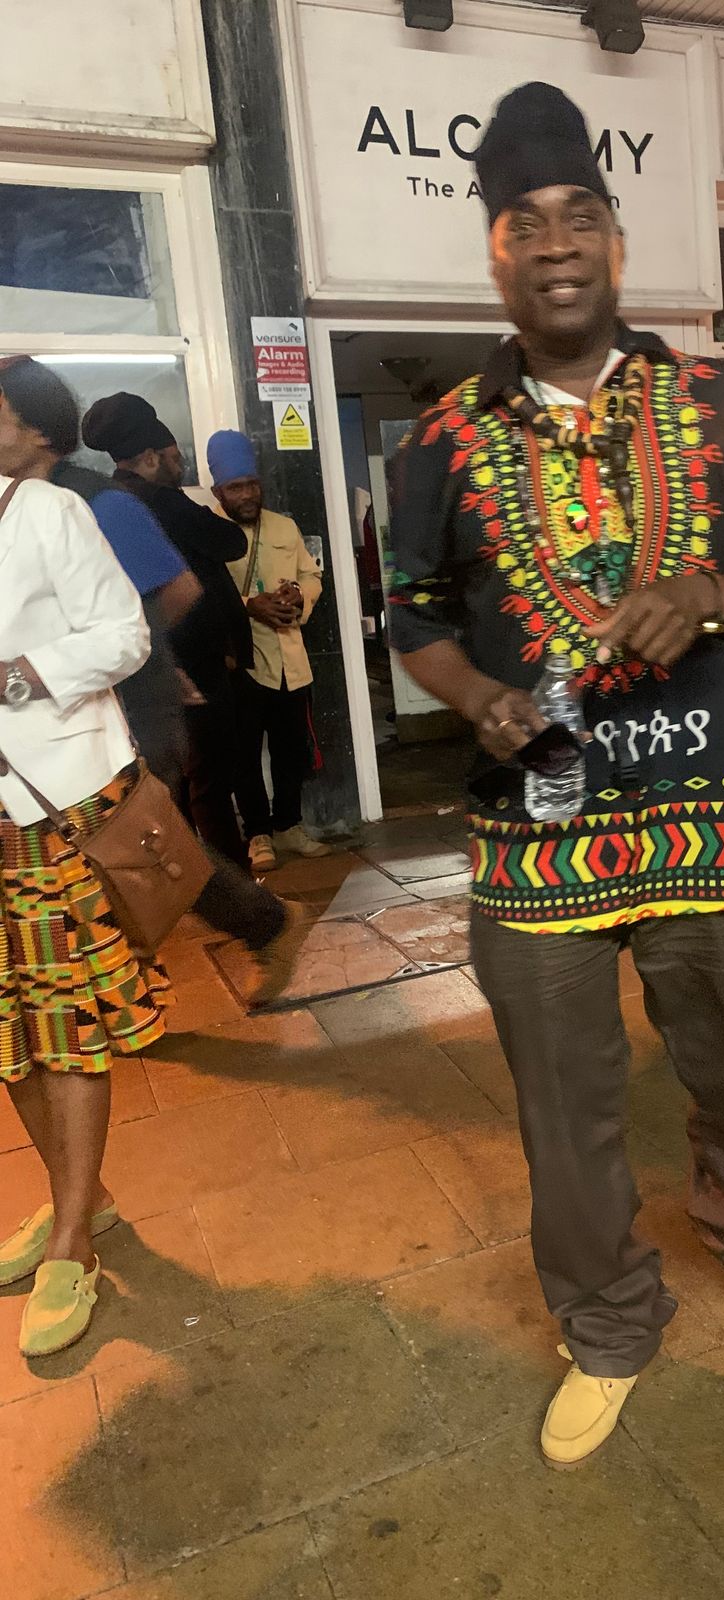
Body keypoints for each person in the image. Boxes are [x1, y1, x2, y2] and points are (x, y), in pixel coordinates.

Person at [387, 82, 724, 1468]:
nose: (557, 243)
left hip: (716, 819)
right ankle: (607, 1319)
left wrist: (708, 593)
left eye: (580, 215)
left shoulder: (720, 400)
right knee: (562, 1116)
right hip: (538, 838)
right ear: (495, 254)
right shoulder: (440, 440)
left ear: (618, 243)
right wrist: (478, 696)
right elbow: (412, 615)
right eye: (526, 222)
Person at [0, 359, 298, 996]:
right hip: (71, 712)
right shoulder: (20, 506)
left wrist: (150, 663)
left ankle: (247, 929)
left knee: (143, 842)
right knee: (135, 845)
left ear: (37, 430)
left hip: (131, 705)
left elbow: (178, 591)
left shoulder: (97, 502)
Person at [0, 446, 165, 1359]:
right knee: (7, 1026)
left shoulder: (42, 512)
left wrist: (13, 675)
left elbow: (124, 635)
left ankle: (73, 1240)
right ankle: (81, 1196)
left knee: (61, 1018)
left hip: (48, 811)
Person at [80, 394, 253, 873]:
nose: (181, 468)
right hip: (188, 668)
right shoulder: (157, 501)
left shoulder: (108, 500)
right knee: (209, 786)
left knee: (179, 786)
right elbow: (231, 541)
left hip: (158, 667)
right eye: (176, 459)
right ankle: (232, 889)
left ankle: (194, 887)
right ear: (152, 457)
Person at [208, 430, 330, 872]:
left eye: (252, 485)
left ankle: (289, 825)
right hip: (242, 663)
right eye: (235, 488)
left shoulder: (283, 527)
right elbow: (201, 595)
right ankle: (258, 834)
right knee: (244, 754)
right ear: (218, 492)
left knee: (291, 750)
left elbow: (311, 576)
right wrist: (249, 606)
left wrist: (300, 594)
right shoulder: (206, 531)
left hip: (290, 660)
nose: (247, 495)